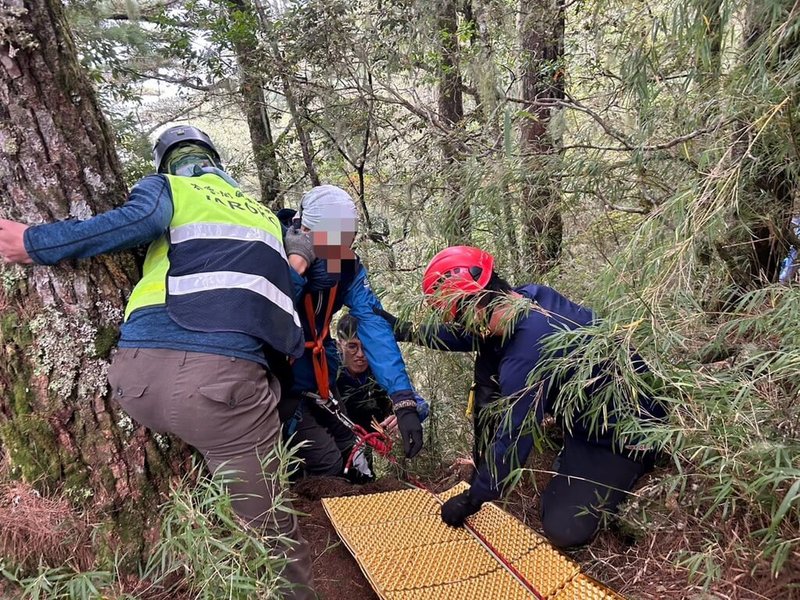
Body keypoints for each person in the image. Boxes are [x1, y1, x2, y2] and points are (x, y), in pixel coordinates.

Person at [0, 125, 315, 599]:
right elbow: (278, 300)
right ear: (217, 161)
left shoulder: (172, 188)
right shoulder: (269, 223)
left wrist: (36, 243)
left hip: (134, 382)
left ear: (164, 161)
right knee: (273, 536)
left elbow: (137, 219)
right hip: (218, 390)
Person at [400, 245, 665, 548]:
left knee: (563, 528)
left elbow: (513, 438)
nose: (458, 328)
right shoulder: (531, 298)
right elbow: (472, 335)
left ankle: (624, 467)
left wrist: (474, 498)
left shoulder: (525, 359)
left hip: (621, 434)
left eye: (457, 319)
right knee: (490, 353)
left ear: (474, 309)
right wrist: (406, 329)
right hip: (620, 398)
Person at [277, 185, 426, 479]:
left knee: (353, 452)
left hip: (320, 378)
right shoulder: (273, 249)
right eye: (331, 244)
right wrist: (296, 269)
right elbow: (263, 313)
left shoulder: (348, 268)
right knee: (328, 464)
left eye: (346, 244)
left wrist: (403, 399)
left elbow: (372, 324)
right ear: (304, 228)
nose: (339, 253)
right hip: (280, 381)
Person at [335, 313, 429, 435]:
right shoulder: (330, 372)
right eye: (352, 346)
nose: (360, 354)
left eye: (367, 347)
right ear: (339, 345)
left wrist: (407, 414)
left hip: (381, 439)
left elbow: (422, 406)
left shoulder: (384, 368)